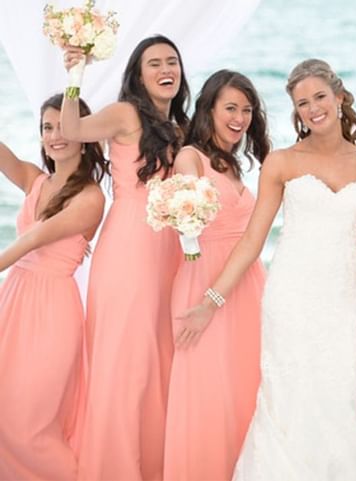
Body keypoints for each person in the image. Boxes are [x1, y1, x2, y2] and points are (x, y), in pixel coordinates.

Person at [179, 58, 356, 480]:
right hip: (291, 298)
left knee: (341, 398)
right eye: (302, 103)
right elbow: (251, 242)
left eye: (319, 97)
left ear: (340, 98)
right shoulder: (281, 163)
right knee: (289, 397)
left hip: (346, 301)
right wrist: (211, 301)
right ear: (296, 112)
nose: (313, 108)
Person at [61, 34, 190, 480]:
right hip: (131, 245)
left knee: (159, 358)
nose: (164, 69)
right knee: (126, 360)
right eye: (153, 63)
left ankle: (153, 464)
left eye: (171, 61)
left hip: (171, 247)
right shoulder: (125, 114)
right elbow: (73, 130)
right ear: (138, 74)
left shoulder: (181, 128)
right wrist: (75, 76)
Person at [163, 69, 270, 481]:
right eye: (230, 108)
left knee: (242, 388)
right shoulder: (191, 158)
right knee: (207, 390)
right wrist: (208, 302)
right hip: (206, 282)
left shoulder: (232, 166)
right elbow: (184, 222)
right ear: (208, 109)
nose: (240, 118)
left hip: (246, 282)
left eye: (246, 110)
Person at [0, 93, 106, 480]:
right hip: (12, 301)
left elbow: (33, 239)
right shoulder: (35, 180)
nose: (54, 135)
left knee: (30, 423)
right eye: (47, 127)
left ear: (84, 133)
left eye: (63, 126)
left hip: (52, 311)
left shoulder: (91, 198)